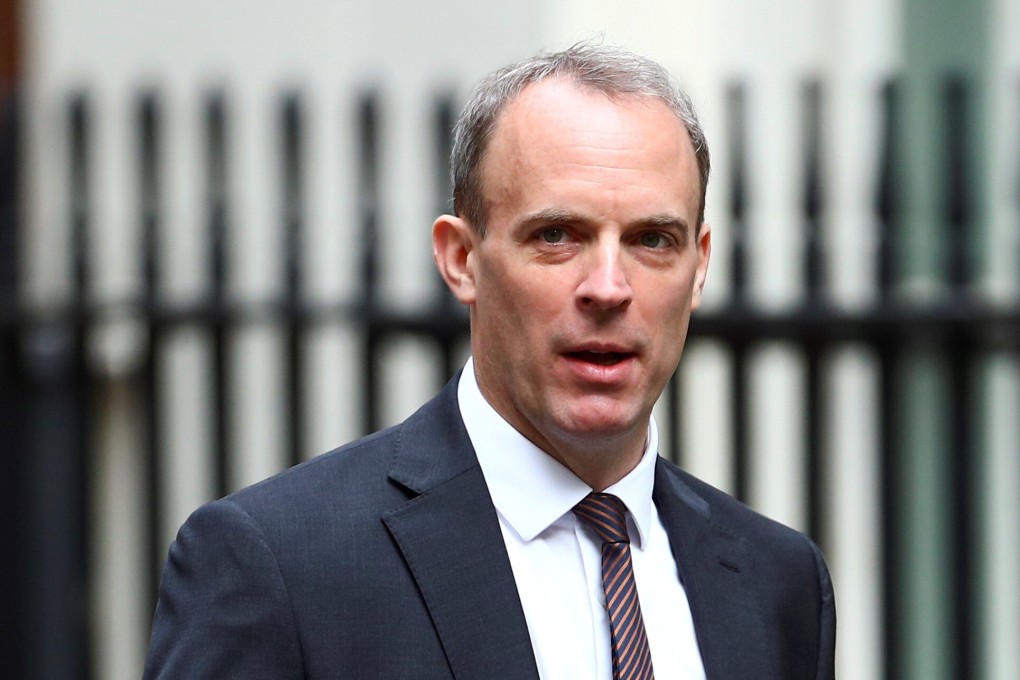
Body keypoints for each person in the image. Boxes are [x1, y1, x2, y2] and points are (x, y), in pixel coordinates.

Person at [144, 42, 835, 679]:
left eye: (652, 239)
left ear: (700, 264)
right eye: (558, 235)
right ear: (461, 259)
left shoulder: (777, 582)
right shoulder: (282, 567)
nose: (608, 287)